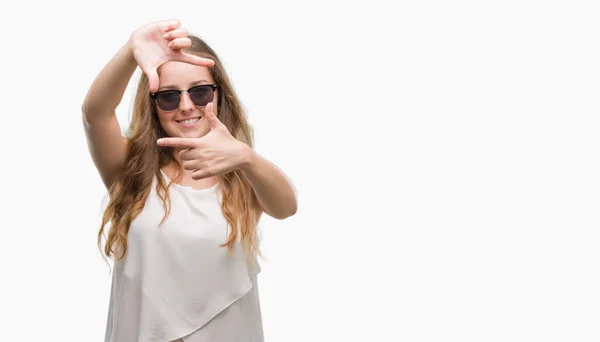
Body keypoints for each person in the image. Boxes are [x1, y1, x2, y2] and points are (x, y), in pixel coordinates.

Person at [81, 19, 298, 342]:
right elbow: (95, 112)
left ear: (218, 95)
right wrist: (130, 52)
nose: (185, 106)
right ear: (153, 105)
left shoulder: (241, 176)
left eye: (199, 92)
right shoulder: (133, 172)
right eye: (168, 97)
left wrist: (246, 158)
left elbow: (286, 207)